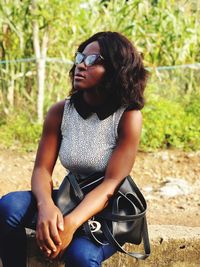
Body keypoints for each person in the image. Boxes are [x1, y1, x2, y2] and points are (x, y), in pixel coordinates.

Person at [0, 31, 148, 267]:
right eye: (80, 57)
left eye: (93, 61)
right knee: (8, 207)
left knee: (80, 257)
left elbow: (111, 183)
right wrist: (46, 206)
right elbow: (41, 169)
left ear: (116, 69)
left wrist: (69, 225)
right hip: (71, 198)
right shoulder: (61, 112)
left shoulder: (128, 116)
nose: (81, 65)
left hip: (108, 211)